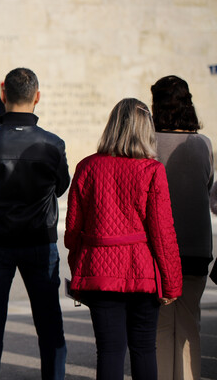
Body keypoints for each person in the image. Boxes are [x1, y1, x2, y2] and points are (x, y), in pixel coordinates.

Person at [65, 98, 183, 380]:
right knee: (144, 349)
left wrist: (79, 267)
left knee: (108, 350)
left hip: (100, 270)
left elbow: (72, 230)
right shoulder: (152, 171)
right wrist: (171, 284)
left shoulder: (87, 167)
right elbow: (163, 233)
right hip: (142, 272)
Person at [0, 68, 69, 380]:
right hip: (39, 240)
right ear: (37, 97)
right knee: (50, 323)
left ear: (3, 96)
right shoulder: (53, 144)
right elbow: (61, 187)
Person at [150, 75, 213, 380]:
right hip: (196, 245)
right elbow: (207, 185)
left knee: (161, 327)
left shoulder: (149, 143)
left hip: (158, 248)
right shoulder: (202, 144)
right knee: (190, 326)